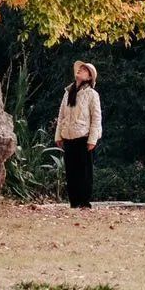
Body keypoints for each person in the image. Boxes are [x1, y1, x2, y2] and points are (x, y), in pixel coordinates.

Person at [55, 60, 102, 208]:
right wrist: (58, 136)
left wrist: (92, 139)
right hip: (68, 136)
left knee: (84, 172)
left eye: (84, 70)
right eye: (80, 69)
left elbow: (96, 118)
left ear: (89, 77)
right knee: (71, 171)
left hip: (83, 137)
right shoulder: (68, 93)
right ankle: (74, 202)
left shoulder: (92, 94)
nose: (80, 70)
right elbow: (61, 115)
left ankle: (84, 202)